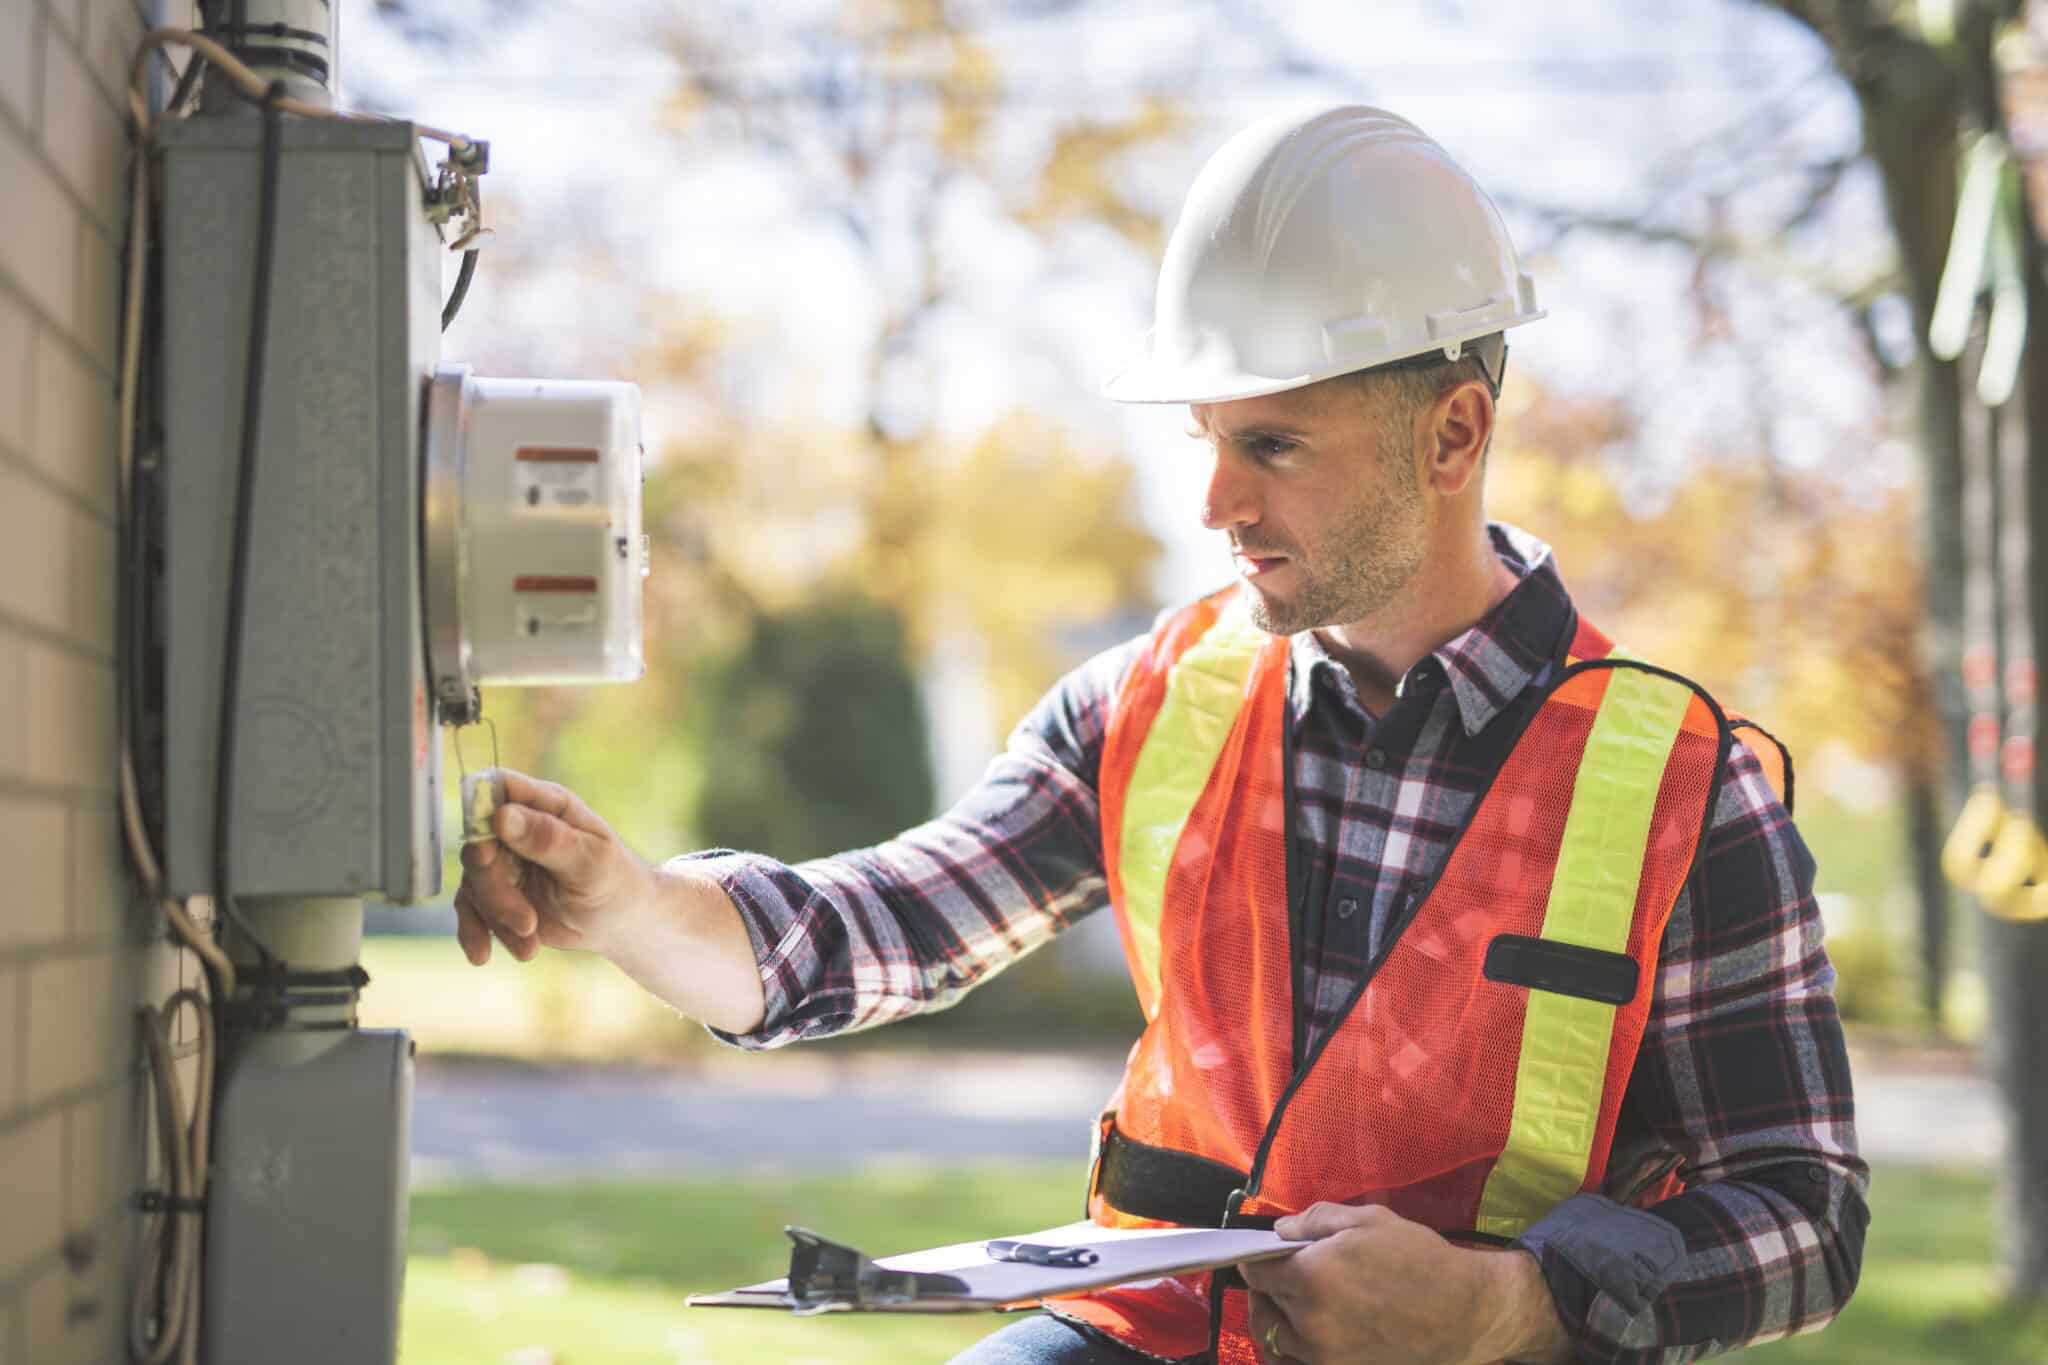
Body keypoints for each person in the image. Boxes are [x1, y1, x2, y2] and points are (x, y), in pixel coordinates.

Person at [453, 105, 1868, 1364]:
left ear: (1453, 435)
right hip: (1153, 1334)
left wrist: (1511, 1308)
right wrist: (630, 905)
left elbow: (1805, 1212)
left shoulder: (1681, 787)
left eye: (1274, 445)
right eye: (1206, 436)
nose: (1213, 503)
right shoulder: (1153, 699)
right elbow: (887, 922)